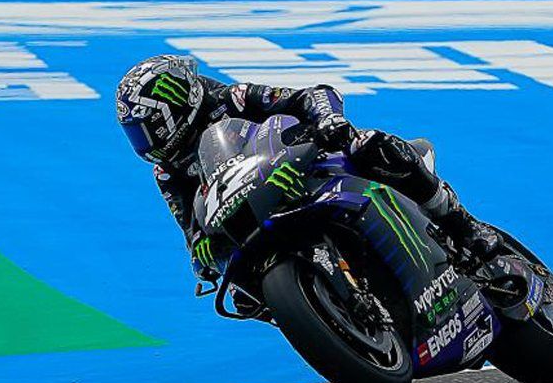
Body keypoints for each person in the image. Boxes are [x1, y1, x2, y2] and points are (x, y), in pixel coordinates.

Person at [115, 55, 500, 279]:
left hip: (304, 163)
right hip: (258, 213)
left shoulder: (231, 98)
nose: (149, 141)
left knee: (367, 145)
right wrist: (202, 257)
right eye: (138, 133)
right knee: (239, 284)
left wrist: (328, 121)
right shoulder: (167, 172)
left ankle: (463, 226)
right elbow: (191, 230)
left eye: (152, 126)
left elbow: (313, 95)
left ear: (178, 102)